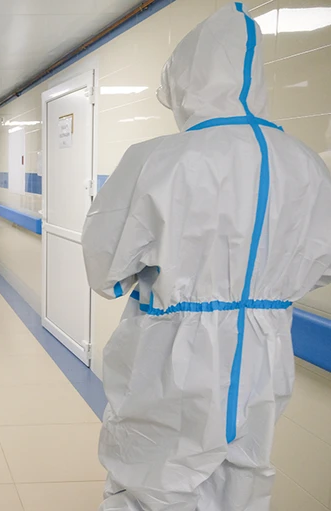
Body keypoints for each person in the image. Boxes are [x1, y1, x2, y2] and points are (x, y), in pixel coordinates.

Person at [81, 4, 331, 510]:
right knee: (243, 480)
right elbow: (321, 265)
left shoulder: (159, 159)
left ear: (187, 80)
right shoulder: (307, 164)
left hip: (174, 355)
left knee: (151, 482)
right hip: (265, 350)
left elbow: (104, 269)